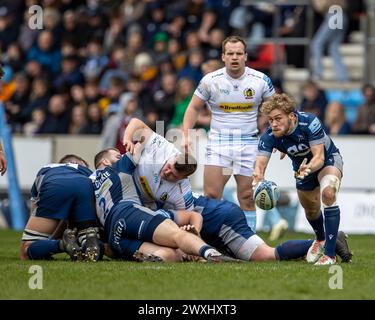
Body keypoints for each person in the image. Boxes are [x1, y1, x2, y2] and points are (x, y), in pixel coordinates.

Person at [182, 35, 275, 231]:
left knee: (247, 196)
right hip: (218, 143)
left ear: (246, 56)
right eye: (230, 53)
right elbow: (192, 108)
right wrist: (186, 135)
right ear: (223, 56)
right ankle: (213, 240)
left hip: (249, 143)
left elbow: (276, 109)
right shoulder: (210, 80)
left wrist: (278, 137)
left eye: (239, 53)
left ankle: (249, 242)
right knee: (211, 196)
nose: (234, 57)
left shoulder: (260, 80)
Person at [91, 147, 238, 263]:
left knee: (168, 254)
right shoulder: (120, 167)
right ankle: (209, 253)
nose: (121, 156)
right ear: (105, 161)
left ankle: (157, 258)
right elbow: (143, 137)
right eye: (117, 155)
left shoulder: (90, 183)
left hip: (113, 233)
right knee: (177, 235)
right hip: (128, 213)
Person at [253, 93, 344, 265]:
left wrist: (309, 168)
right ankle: (321, 240)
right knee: (311, 210)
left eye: (278, 118)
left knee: (329, 193)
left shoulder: (309, 122)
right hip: (301, 169)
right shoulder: (270, 135)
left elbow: (319, 157)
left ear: (292, 116)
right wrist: (258, 178)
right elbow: (260, 164)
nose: (273, 124)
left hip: (328, 159)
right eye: (270, 120)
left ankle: (330, 255)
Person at [20, 154, 103, 261]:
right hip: (84, 185)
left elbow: (34, 208)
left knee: (26, 250)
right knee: (88, 236)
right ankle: (90, 242)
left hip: (54, 184)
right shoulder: (88, 172)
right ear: (80, 164)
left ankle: (62, 245)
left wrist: (46, 240)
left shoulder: (46, 169)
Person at [123, 117, 196, 211]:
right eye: (169, 166)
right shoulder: (162, 147)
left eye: (172, 175)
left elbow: (189, 216)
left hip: (141, 203)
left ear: (183, 178)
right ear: (173, 157)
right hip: (125, 176)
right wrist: (128, 139)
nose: (167, 172)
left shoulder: (183, 190)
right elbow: (136, 122)